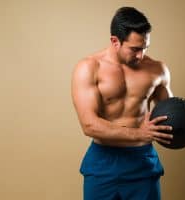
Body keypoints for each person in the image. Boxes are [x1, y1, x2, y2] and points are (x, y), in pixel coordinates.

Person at [72, 7, 174, 200]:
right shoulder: (89, 68)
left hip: (142, 160)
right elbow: (89, 124)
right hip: (104, 160)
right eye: (135, 49)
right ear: (115, 41)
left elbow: (170, 115)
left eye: (145, 48)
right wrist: (139, 133)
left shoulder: (157, 70)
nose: (140, 56)